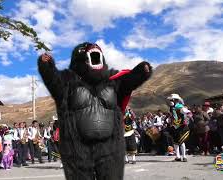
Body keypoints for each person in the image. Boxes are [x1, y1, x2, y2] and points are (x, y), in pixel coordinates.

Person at [38, 42, 152, 180]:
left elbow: (129, 80)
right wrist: (47, 66)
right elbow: (53, 80)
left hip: (110, 147)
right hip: (77, 149)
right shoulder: (68, 80)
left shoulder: (113, 80)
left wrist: (141, 71)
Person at [167, 94, 190, 162]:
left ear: (175, 100)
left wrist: (187, 118)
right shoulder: (171, 107)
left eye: (171, 100)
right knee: (175, 142)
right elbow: (172, 115)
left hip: (181, 126)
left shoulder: (180, 107)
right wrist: (170, 120)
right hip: (174, 126)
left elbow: (188, 112)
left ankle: (184, 156)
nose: (170, 101)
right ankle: (178, 156)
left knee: (181, 141)